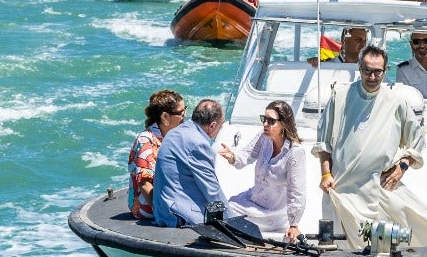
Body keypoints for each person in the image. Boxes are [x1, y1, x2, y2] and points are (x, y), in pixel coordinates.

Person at [314, 45, 427, 248]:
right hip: (341, 191)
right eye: (367, 70)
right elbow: (324, 142)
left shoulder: (397, 101)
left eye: (377, 71)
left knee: (421, 233)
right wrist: (325, 174)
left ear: (385, 70)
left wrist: (402, 166)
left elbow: (417, 140)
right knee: (339, 250)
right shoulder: (340, 96)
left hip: (380, 188)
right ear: (359, 69)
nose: (372, 76)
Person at [221, 100, 308, 242]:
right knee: (225, 209)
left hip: (274, 214)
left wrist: (294, 225)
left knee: (228, 218)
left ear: (284, 124)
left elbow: (297, 192)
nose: (265, 124)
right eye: (264, 119)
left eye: (271, 121)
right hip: (254, 201)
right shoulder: (264, 137)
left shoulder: (295, 153)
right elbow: (247, 154)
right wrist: (232, 156)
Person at [153, 98, 228, 227]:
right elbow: (211, 190)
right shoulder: (198, 143)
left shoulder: (176, 132)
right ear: (212, 125)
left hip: (162, 210)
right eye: (221, 125)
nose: (220, 128)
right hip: (178, 215)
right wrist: (232, 221)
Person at [129, 90, 185, 221]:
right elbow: (144, 184)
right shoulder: (146, 141)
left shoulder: (173, 136)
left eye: (185, 110)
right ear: (165, 117)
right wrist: (162, 214)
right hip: (149, 207)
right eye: (180, 113)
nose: (184, 116)